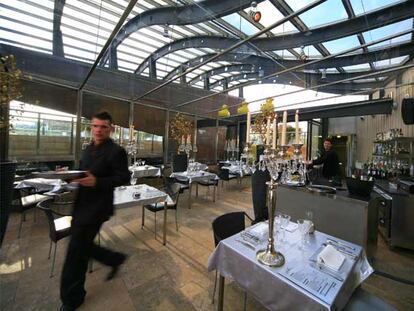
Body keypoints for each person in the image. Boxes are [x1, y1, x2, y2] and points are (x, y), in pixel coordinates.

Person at [60, 111, 130, 311]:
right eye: (95, 126)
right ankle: (114, 259)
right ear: (91, 127)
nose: (98, 130)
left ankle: (72, 299)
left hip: (97, 208)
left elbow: (123, 177)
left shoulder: (117, 151)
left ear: (111, 129)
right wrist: (70, 176)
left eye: (103, 127)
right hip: (81, 205)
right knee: (80, 247)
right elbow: (84, 174)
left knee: (75, 252)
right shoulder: (87, 149)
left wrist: (97, 181)